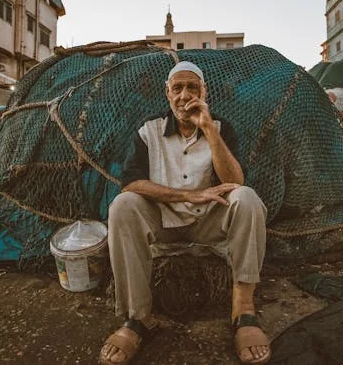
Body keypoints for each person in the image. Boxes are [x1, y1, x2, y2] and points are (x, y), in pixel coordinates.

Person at [99, 61, 271, 365]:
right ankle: (137, 319)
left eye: (192, 87)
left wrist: (208, 129)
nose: (184, 95)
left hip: (208, 222)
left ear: (204, 92)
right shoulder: (149, 130)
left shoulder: (221, 127)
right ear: (167, 93)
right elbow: (131, 183)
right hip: (162, 222)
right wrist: (188, 195)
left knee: (247, 198)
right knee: (122, 205)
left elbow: (235, 181)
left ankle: (243, 311)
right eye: (177, 88)